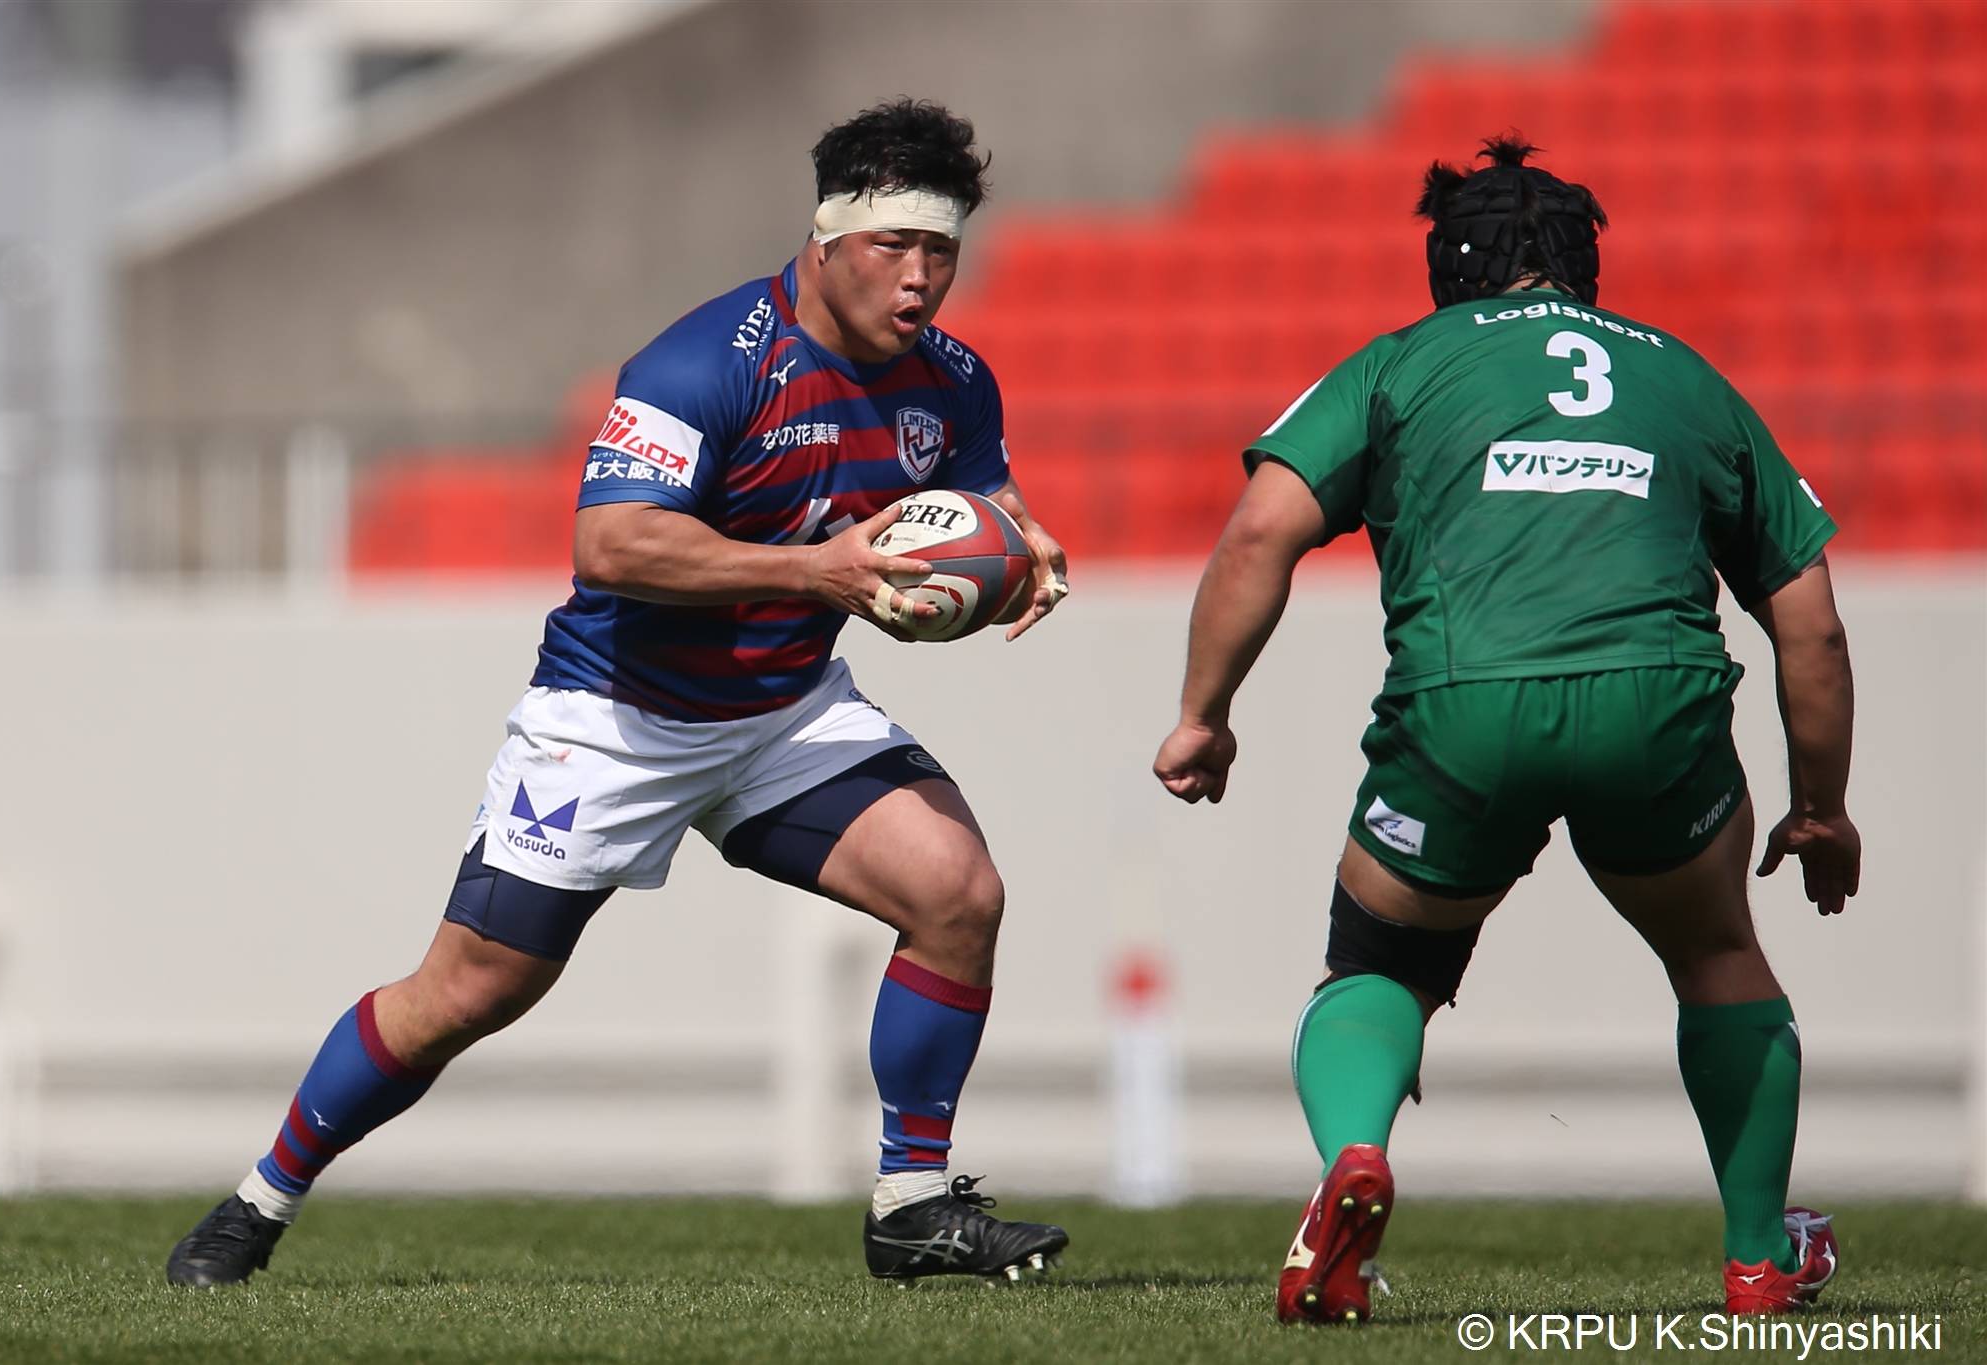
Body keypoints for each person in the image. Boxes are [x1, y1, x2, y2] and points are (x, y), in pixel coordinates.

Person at [168, 98, 1071, 1288]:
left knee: (957, 892)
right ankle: (258, 1201)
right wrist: (815, 571)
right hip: (614, 721)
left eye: (940, 251)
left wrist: (1022, 555)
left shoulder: (950, 380)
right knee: (467, 992)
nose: (919, 279)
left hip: (783, 713)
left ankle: (911, 1206)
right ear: (823, 239)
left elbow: (986, 514)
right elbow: (611, 546)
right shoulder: (705, 364)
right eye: (891, 246)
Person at [1153, 138, 1857, 1325]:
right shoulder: (1690, 380)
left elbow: (1258, 533)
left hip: (1464, 708)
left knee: (1379, 964)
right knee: (1714, 954)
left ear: (1446, 267)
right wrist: (1820, 806)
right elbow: (1810, 623)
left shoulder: (1396, 364)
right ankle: (1755, 1261)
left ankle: (1353, 1162)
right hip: (1656, 705)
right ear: (1585, 267)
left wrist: (1201, 719)